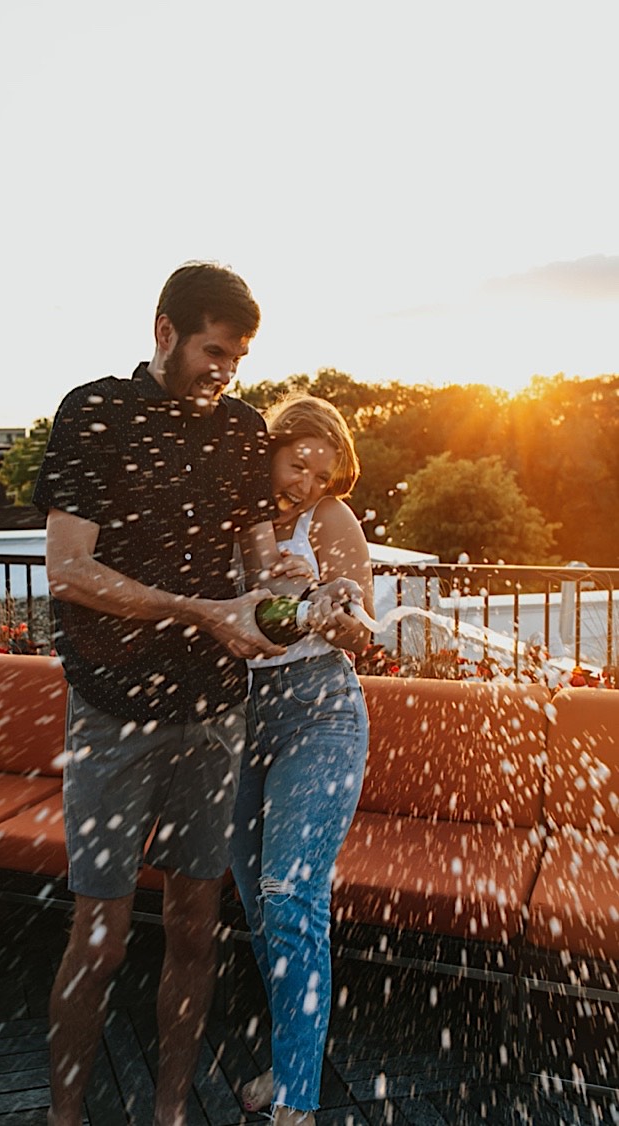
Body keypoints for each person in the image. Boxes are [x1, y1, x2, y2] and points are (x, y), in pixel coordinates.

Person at [32, 263, 363, 1126]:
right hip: (112, 712)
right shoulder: (94, 413)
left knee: (191, 930)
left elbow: (257, 576)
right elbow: (69, 572)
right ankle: (65, 1117)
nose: (225, 371)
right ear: (165, 331)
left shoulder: (243, 431)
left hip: (216, 720)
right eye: (214, 351)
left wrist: (299, 593)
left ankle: (171, 1113)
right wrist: (204, 613)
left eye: (240, 357)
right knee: (98, 941)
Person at [230, 396, 373, 1126]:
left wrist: (327, 597)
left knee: (290, 898)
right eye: (298, 462)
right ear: (270, 452)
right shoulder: (236, 519)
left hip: (321, 715)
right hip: (237, 725)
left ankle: (296, 1106)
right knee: (261, 909)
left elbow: (358, 625)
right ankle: (291, 1063)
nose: (309, 480)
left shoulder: (330, 522)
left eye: (324, 471)